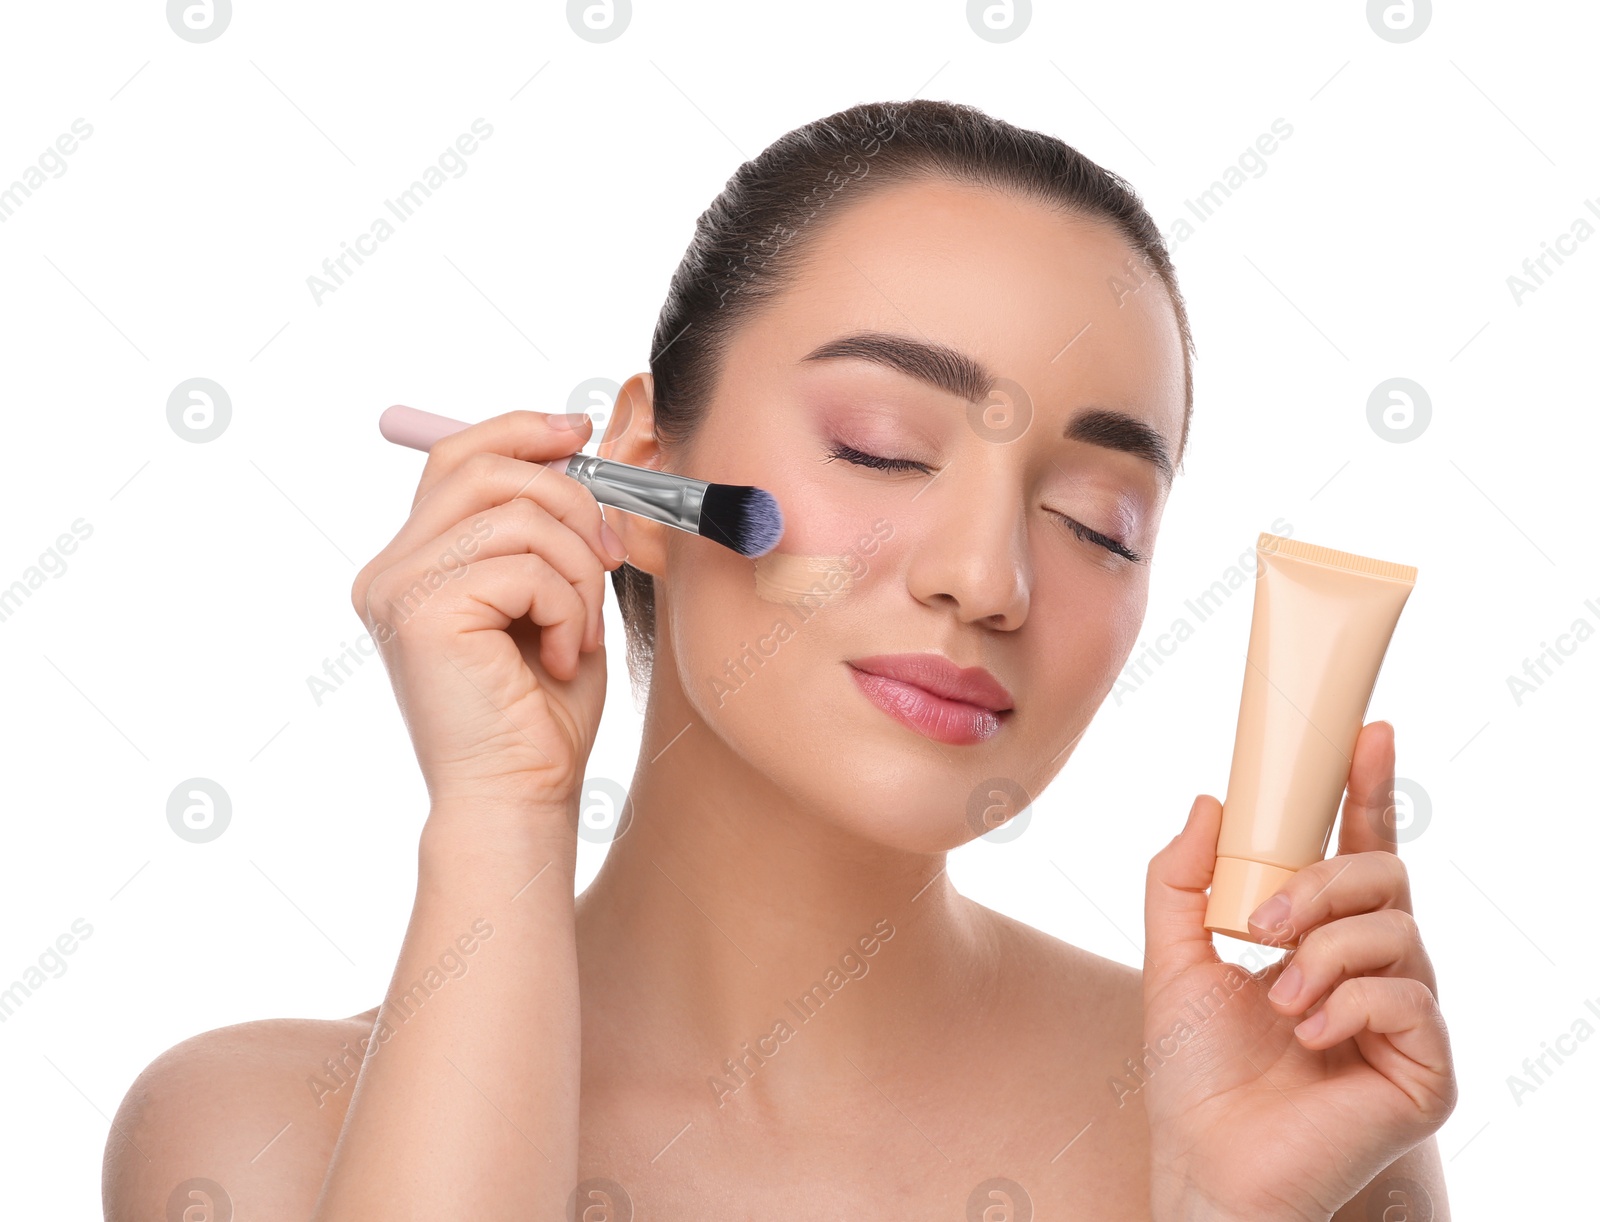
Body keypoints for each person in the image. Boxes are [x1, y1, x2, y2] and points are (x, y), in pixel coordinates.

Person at [103, 98, 1455, 1221]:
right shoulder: (259, 1138)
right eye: (879, 444)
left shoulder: (1274, 1116)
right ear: (638, 471)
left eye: (1097, 520)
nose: (985, 576)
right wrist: (499, 815)